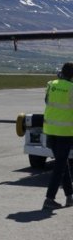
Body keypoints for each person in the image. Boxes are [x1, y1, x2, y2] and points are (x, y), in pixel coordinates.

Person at [42, 62, 73, 210]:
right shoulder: (71, 88)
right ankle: (49, 198)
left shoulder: (51, 84)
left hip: (50, 130)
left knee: (63, 163)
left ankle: (69, 197)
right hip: (65, 132)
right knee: (59, 166)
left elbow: (47, 101)